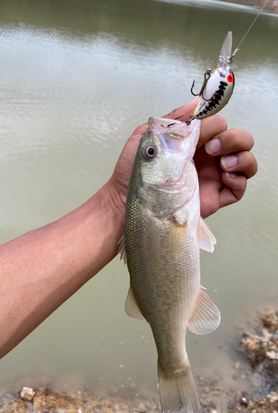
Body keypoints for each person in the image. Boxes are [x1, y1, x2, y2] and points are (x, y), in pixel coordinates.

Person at [0, 99, 257, 359]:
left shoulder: (157, 203)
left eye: (150, 153)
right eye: (151, 153)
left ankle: (172, 361)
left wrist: (114, 205)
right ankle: (173, 363)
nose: (159, 130)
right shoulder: (154, 205)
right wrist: (116, 202)